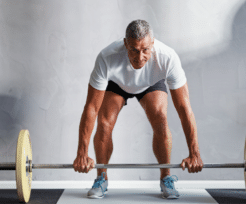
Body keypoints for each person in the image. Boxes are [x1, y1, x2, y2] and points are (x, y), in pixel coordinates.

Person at [73, 19, 204, 199]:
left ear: (153, 43)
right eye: (133, 50)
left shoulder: (167, 57)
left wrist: (194, 153)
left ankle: (166, 178)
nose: (140, 57)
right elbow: (91, 108)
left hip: (151, 82)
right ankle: (101, 177)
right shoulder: (107, 57)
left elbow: (184, 108)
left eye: (145, 50)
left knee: (161, 119)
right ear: (125, 43)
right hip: (117, 83)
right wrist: (82, 153)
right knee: (104, 122)